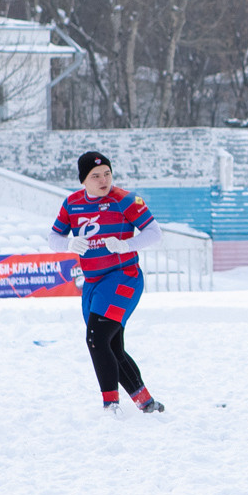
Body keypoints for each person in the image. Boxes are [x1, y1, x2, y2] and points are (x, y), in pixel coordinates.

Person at [49, 150, 165, 413]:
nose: (104, 180)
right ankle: (147, 403)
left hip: (123, 277)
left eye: (107, 174)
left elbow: (154, 233)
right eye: (96, 176)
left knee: (97, 339)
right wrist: (69, 244)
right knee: (111, 346)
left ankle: (110, 407)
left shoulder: (126, 200)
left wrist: (126, 245)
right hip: (93, 283)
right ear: (83, 180)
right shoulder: (71, 203)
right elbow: (53, 238)